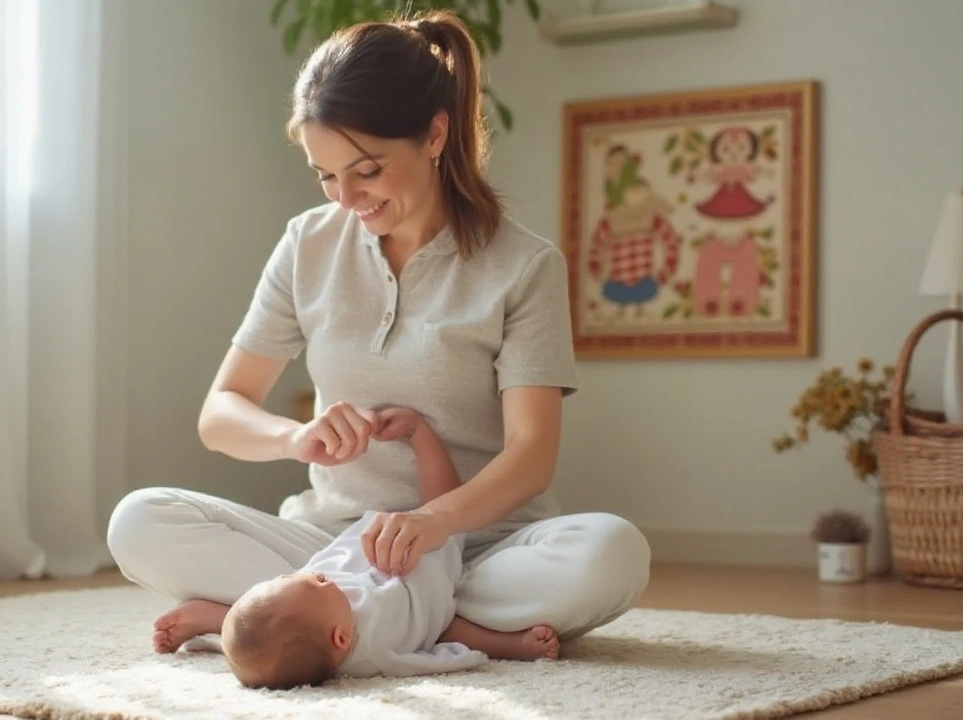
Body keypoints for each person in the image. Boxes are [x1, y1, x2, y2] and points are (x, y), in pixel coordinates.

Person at [105, 9, 651, 661]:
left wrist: (431, 523)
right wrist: (294, 438)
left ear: (434, 134)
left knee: (612, 554)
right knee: (138, 520)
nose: (346, 198)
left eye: (366, 170)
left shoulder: (524, 267)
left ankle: (321, 617)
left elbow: (532, 456)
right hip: (330, 544)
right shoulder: (307, 243)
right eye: (326, 175)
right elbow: (221, 413)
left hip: (479, 543)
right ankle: (403, 620)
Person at [221, 405, 559, 690]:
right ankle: (419, 433)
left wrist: (206, 623)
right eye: (321, 584)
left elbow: (258, 640)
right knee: (447, 629)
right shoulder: (381, 648)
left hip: (385, 557)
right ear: (341, 638)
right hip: (430, 564)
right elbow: (435, 655)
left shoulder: (322, 624)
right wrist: (490, 651)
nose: (320, 577)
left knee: (258, 629)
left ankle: (211, 616)